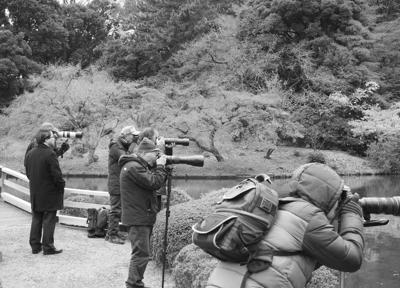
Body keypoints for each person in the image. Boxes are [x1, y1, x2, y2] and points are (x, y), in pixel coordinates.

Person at [205, 163, 365, 288]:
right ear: (327, 199)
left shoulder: (276, 209)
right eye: (337, 200)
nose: (338, 207)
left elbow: (303, 261)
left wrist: (333, 228)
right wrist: (352, 213)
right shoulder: (308, 217)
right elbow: (351, 260)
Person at [119, 137, 167, 288]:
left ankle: (135, 282)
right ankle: (133, 284)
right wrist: (161, 167)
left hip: (139, 215)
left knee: (141, 253)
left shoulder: (136, 165)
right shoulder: (134, 167)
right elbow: (154, 183)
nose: (157, 158)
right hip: (138, 217)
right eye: (155, 154)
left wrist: (160, 165)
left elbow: (153, 181)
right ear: (145, 153)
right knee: (141, 253)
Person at [25, 129, 66, 255]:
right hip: (49, 192)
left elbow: (28, 173)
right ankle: (48, 247)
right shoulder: (50, 154)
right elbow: (57, 175)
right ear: (46, 139)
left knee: (36, 218)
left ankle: (35, 246)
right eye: (53, 137)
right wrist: (61, 186)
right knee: (49, 219)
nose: (55, 139)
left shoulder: (30, 153)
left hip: (36, 191)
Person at [106, 125, 140, 245]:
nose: (134, 137)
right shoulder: (115, 146)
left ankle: (111, 233)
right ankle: (112, 235)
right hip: (116, 183)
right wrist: (134, 144)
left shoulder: (122, 146)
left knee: (117, 209)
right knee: (115, 210)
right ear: (124, 135)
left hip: (119, 182)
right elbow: (126, 158)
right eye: (133, 135)